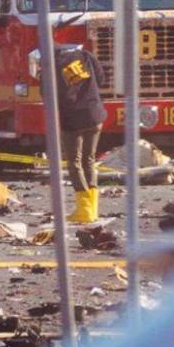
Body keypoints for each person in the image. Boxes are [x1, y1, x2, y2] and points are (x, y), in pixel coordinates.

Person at [54, 44, 108, 223]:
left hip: (73, 120)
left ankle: (84, 209)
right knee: (89, 159)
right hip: (95, 115)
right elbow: (101, 79)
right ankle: (92, 208)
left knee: (74, 162)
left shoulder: (54, 64)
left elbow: (46, 93)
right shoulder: (87, 56)